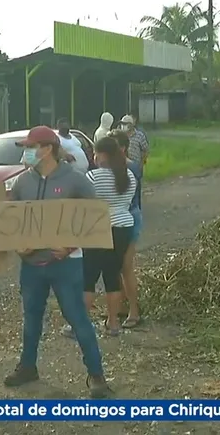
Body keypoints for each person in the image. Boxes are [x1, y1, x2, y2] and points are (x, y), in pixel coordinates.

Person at [2, 125, 110, 399]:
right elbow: (11, 221)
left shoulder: (75, 180)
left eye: (30, 147)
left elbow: (95, 217)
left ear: (47, 149)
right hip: (31, 265)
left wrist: (71, 244)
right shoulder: (22, 182)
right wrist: (18, 246)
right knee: (31, 318)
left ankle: (97, 375)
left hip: (66, 264)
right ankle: (28, 367)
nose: (26, 153)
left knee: (77, 318)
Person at [76, 137, 136, 336]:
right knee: (112, 275)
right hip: (123, 227)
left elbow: (83, 202)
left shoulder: (92, 177)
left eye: (96, 153)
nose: (94, 157)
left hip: (98, 227)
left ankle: (80, 323)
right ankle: (113, 323)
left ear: (103, 155)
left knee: (89, 277)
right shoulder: (129, 176)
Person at [107, 129, 143, 328]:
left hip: (129, 217)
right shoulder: (112, 167)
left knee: (126, 267)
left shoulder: (130, 168)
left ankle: (134, 311)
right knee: (114, 266)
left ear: (122, 148)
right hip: (116, 218)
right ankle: (119, 306)